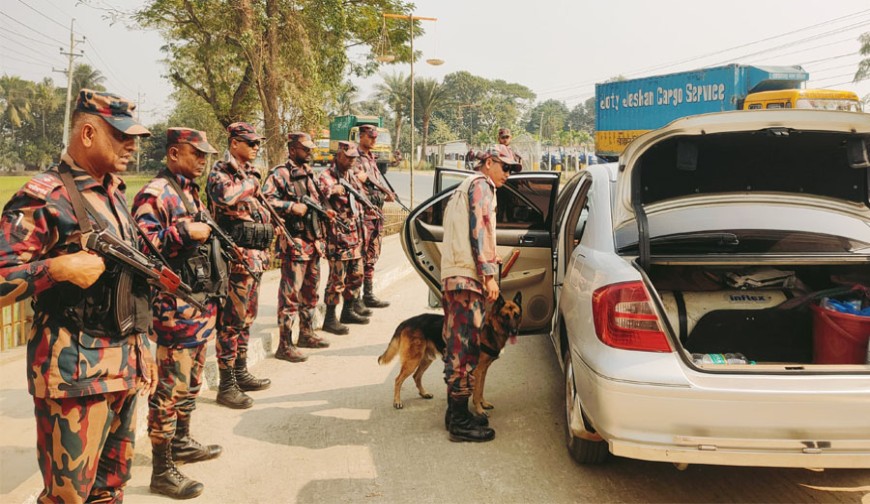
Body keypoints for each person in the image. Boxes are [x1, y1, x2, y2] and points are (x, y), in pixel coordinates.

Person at [0, 89, 155, 502]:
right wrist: (55, 268)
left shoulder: (115, 194)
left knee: (110, 490)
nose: (132, 145)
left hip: (123, 369)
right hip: (74, 377)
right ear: (88, 132)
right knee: (68, 498)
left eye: (135, 137)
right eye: (122, 135)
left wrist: (144, 346)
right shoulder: (46, 197)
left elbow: (131, 283)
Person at [133, 128, 226, 499]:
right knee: (168, 392)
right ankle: (161, 467)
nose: (203, 159)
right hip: (173, 312)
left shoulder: (189, 190)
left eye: (206, 154)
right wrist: (186, 232)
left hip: (198, 306)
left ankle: (183, 442)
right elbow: (142, 248)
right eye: (196, 153)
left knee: (191, 384)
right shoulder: (155, 194)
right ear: (174, 153)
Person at [440, 144, 520, 443]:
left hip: (454, 276)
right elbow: (480, 228)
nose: (508, 175)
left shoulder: (463, 187)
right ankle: (460, 422)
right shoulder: (481, 186)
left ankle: (454, 412)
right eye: (506, 167)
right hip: (467, 279)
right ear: (489, 163)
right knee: (465, 350)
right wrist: (488, 274)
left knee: (455, 346)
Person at [207, 122, 272, 409]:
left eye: (258, 143)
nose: (256, 148)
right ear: (234, 144)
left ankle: (241, 371)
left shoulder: (248, 175)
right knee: (230, 323)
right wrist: (250, 183)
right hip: (233, 261)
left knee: (247, 319)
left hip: (252, 259)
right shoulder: (221, 174)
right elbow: (227, 197)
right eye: (251, 143)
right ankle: (227, 384)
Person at [263, 132, 333, 363]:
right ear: (292, 150)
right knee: (290, 296)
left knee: (311, 292)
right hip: (294, 243)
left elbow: (317, 202)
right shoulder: (280, 174)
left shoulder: (309, 174)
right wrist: (291, 207)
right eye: (305, 149)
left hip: (312, 243)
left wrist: (326, 212)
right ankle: (285, 344)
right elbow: (265, 201)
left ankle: (306, 333)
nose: (310, 152)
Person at [317, 141, 370, 335]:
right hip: (337, 237)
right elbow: (320, 194)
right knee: (336, 279)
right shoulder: (327, 176)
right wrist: (333, 190)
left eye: (354, 157)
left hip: (354, 235)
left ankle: (348, 310)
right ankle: (330, 318)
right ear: (338, 155)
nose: (351, 161)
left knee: (356, 275)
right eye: (348, 157)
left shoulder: (351, 176)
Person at [355, 123, 394, 310]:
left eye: (375, 137)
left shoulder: (371, 159)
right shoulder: (355, 158)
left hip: (376, 214)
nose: (373, 140)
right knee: (359, 257)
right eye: (370, 136)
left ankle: (368, 294)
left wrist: (385, 194)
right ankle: (354, 299)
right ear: (361, 136)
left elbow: (375, 183)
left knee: (372, 256)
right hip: (363, 216)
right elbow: (357, 187)